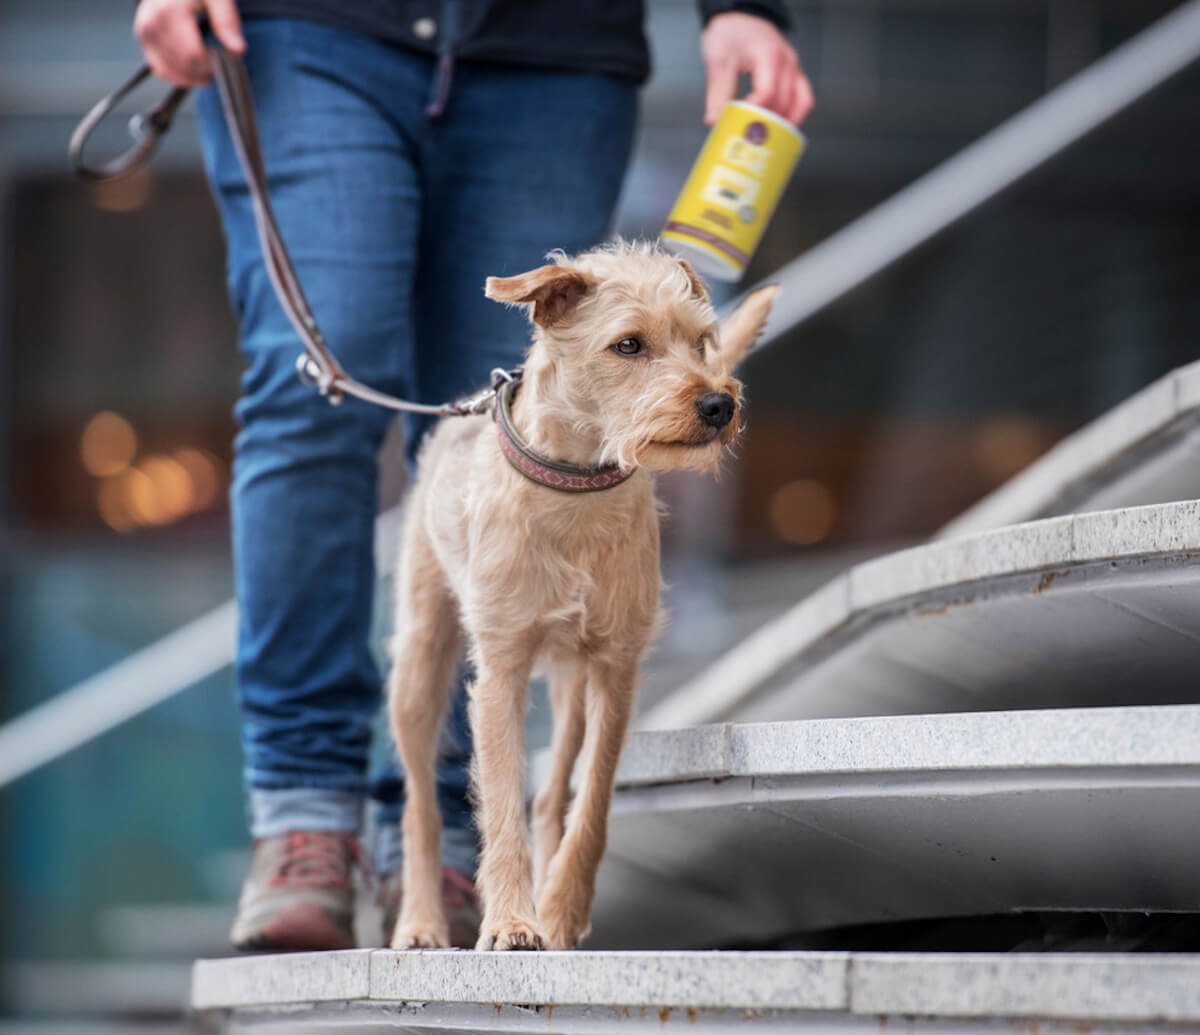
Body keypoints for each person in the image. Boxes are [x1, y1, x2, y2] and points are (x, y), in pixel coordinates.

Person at [132, 0, 813, 952]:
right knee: (314, 389)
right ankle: (305, 815)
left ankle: (461, 841)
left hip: (552, 49)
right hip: (307, 31)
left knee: (525, 400)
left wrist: (743, 9)